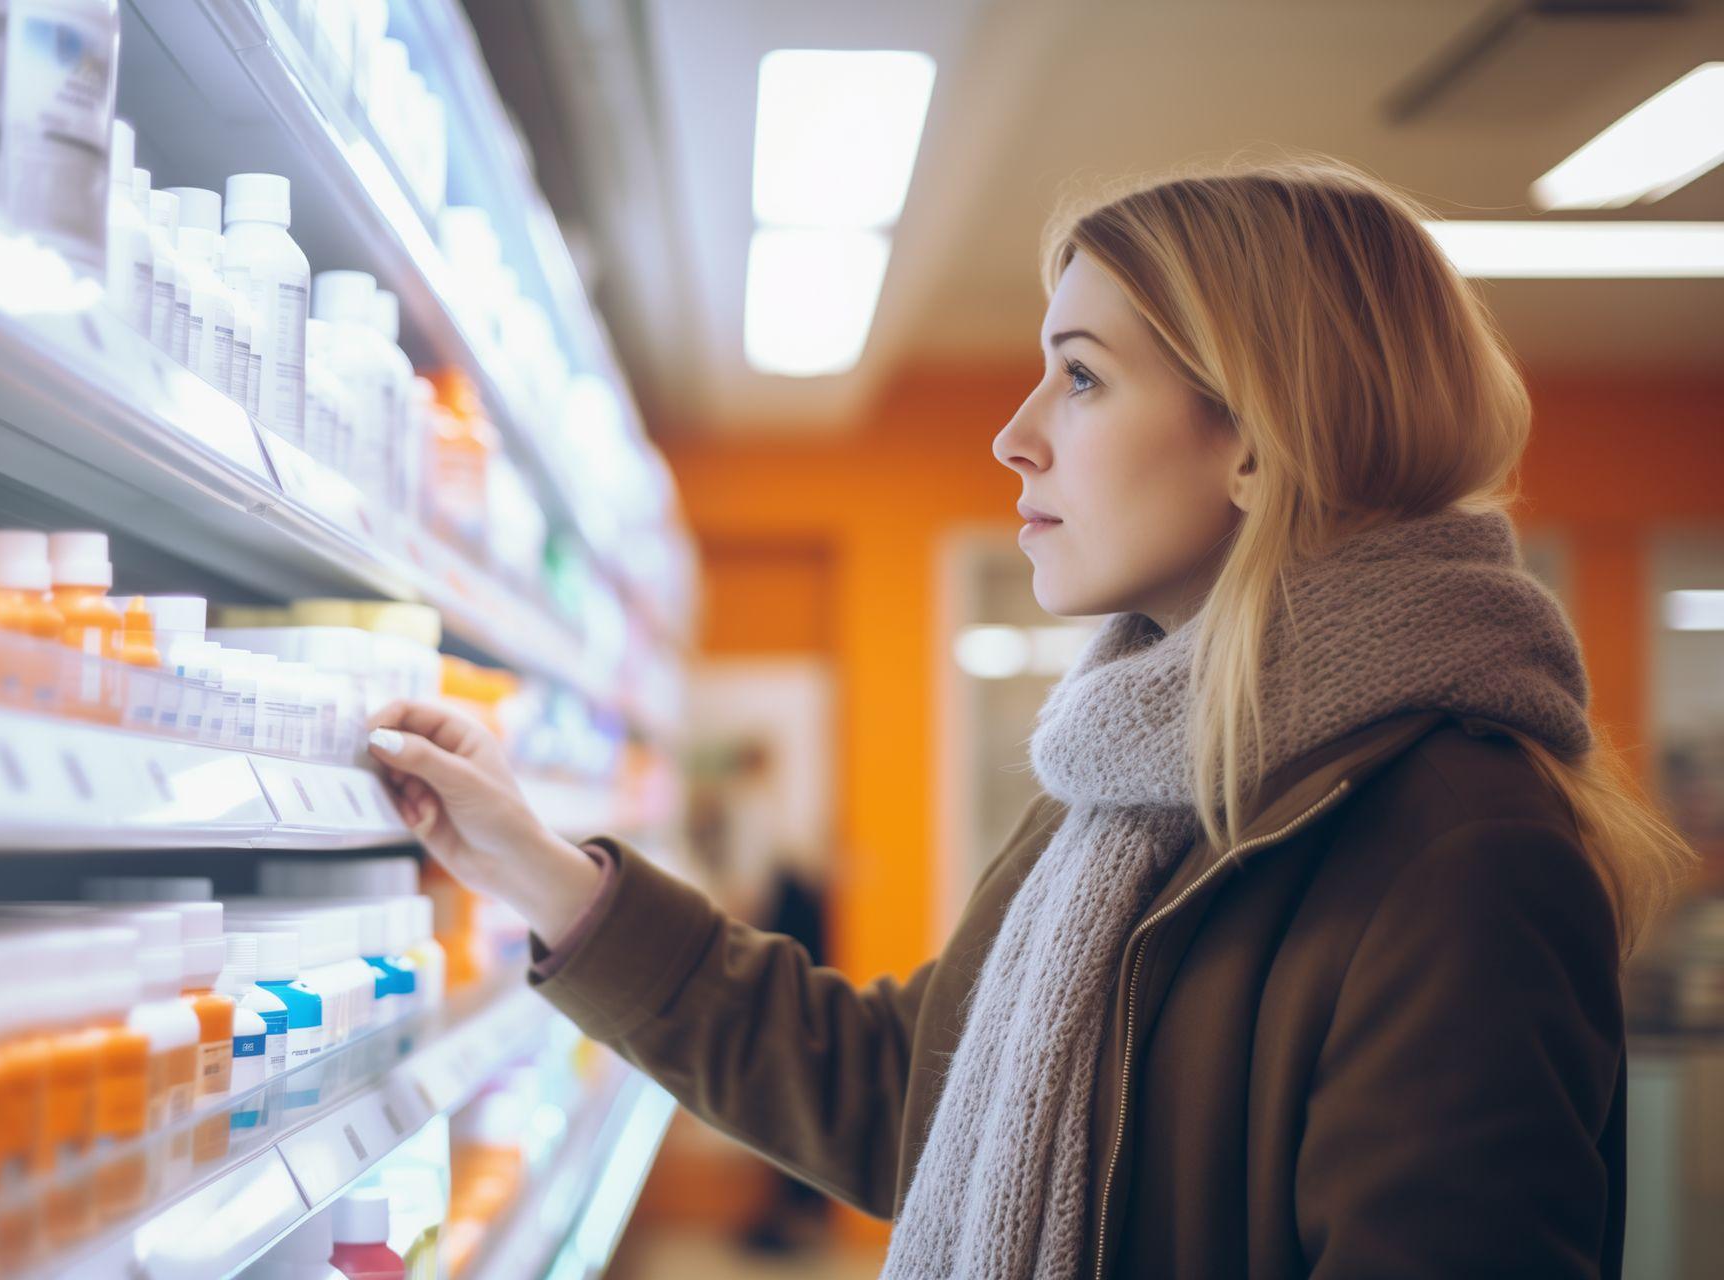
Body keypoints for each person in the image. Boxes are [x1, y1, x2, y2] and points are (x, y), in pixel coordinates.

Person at [362, 154, 1696, 1279]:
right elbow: (911, 1098)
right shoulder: (1120, 784)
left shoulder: (1465, 852)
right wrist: (533, 867)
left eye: (1082, 376)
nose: (1014, 435)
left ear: (1256, 437)